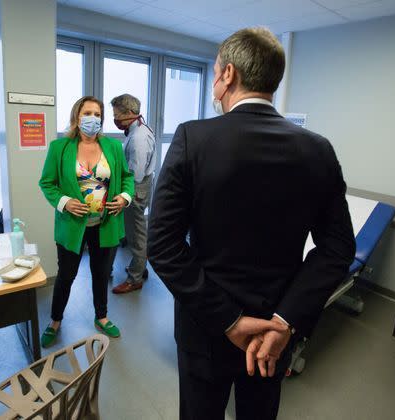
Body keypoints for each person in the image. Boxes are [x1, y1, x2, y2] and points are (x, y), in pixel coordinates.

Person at [147, 27, 355, 420]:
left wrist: (229, 320)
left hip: (206, 328)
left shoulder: (194, 139)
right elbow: (338, 248)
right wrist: (285, 321)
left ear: (227, 75)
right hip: (273, 335)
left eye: (214, 74)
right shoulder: (317, 150)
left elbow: (162, 244)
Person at [38, 96, 135, 347]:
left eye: (97, 114)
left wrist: (124, 197)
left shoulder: (112, 147)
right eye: (88, 112)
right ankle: (55, 321)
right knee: (66, 275)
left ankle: (101, 317)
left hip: (106, 224)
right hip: (73, 225)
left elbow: (127, 177)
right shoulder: (60, 148)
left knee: (101, 274)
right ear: (77, 116)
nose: (93, 118)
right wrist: (64, 202)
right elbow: (47, 183)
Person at [109, 94, 156, 294]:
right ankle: (140, 268)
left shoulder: (138, 137)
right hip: (140, 185)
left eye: (117, 115)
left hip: (136, 188)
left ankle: (135, 279)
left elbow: (135, 174)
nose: (116, 119)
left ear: (129, 113)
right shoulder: (138, 129)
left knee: (137, 234)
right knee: (135, 231)